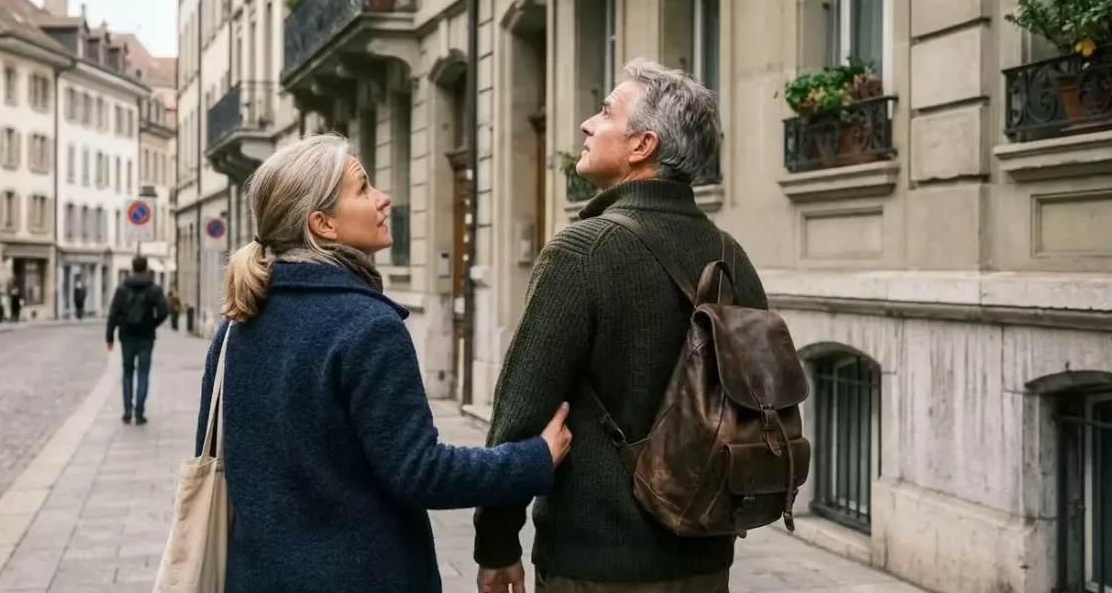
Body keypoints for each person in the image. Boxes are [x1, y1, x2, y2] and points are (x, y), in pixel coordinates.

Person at [195, 134, 573, 593]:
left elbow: (220, 457)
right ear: (323, 224)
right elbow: (420, 472)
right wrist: (533, 459)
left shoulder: (235, 327)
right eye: (363, 188)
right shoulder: (367, 326)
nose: (383, 198)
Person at [474, 60, 770, 593]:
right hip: (705, 561)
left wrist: (497, 543)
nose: (587, 124)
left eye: (606, 112)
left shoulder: (581, 251)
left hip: (594, 567)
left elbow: (521, 416)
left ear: (643, 146)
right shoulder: (731, 256)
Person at [105, 256, 169, 425]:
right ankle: (139, 412)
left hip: (126, 336)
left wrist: (109, 337)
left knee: (127, 372)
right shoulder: (154, 289)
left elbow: (113, 313)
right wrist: (152, 323)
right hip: (146, 337)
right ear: (146, 268)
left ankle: (127, 411)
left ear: (132, 268)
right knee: (143, 373)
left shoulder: (122, 288)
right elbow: (164, 312)